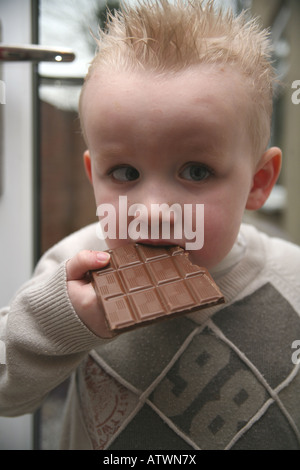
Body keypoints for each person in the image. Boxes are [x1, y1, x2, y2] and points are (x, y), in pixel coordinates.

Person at [1, 0, 300, 450]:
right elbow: (8, 397)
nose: (154, 211)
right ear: (92, 177)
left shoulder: (292, 278)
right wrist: (60, 323)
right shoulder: (73, 277)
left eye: (196, 171)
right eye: (124, 173)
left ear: (258, 183)